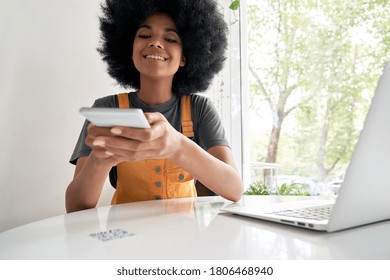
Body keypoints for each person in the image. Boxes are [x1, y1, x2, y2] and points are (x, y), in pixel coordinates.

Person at [65, 0, 244, 213]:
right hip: (126, 238)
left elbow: (235, 190)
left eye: (170, 38)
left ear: (184, 58)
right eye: (144, 35)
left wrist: (178, 146)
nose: (155, 43)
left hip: (185, 240)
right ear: (129, 50)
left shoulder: (199, 108)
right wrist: (99, 159)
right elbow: (75, 207)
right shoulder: (108, 108)